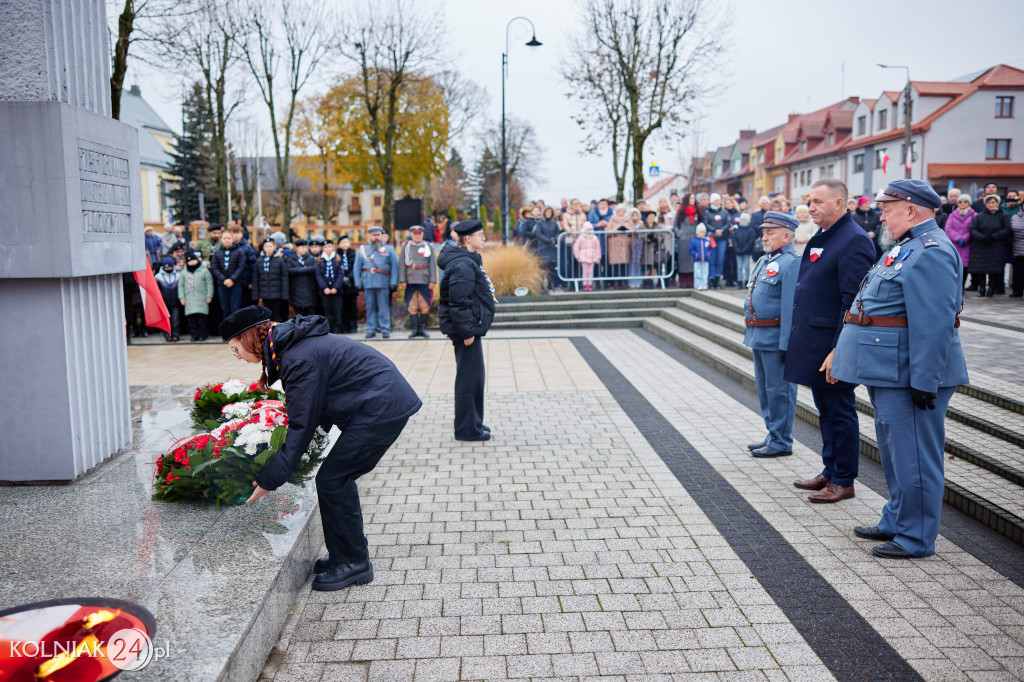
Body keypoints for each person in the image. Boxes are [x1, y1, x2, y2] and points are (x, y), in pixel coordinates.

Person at [222, 305, 421, 590]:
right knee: (334, 479)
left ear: (249, 337)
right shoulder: (291, 348)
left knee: (333, 479)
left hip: (381, 408)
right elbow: (315, 410)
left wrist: (269, 479)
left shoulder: (297, 356)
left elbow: (302, 425)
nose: (237, 356)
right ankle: (347, 555)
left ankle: (354, 563)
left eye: (234, 348)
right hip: (377, 403)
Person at [831, 179, 969, 559]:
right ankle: (896, 519)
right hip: (888, 369)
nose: (881, 214)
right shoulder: (906, 247)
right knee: (895, 454)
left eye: (887, 208)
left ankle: (916, 537)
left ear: (911, 210)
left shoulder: (931, 251)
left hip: (911, 373)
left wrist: (924, 379)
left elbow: (934, 323)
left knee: (915, 458)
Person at [785, 178, 875, 503]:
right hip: (814, 341)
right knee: (825, 409)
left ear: (839, 203)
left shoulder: (854, 240)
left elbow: (852, 302)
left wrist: (840, 348)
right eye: (809, 202)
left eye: (817, 202)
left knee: (839, 409)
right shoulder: (823, 236)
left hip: (832, 344)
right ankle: (830, 469)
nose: (811, 208)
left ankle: (844, 479)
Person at [743, 212, 801, 458]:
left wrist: (788, 344)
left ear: (786, 235)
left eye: (770, 232)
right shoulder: (766, 259)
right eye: (764, 231)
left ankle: (781, 440)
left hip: (776, 336)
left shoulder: (792, 261)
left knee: (780, 391)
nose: (764, 236)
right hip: (759, 334)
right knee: (766, 390)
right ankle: (772, 433)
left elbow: (791, 307)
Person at [437, 220, 496, 442]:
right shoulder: (462, 264)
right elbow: (458, 302)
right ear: (467, 238)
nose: (484, 237)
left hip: (469, 328)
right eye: (480, 234)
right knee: (469, 379)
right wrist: (468, 332)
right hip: (466, 331)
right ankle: (467, 429)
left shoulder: (468, 260)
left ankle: (473, 423)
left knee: (474, 378)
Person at [354, 226, 399, 338]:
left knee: (383, 307)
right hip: (368, 282)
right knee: (370, 307)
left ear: (381, 236)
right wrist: (358, 282)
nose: (376, 238)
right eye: (374, 235)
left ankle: (385, 329)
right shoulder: (363, 249)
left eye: (378, 235)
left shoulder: (389, 249)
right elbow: (357, 267)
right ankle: (371, 329)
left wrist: (394, 282)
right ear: (370, 236)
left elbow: (395, 267)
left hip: (383, 282)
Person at [969, 194, 1012, 297]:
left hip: (996, 246)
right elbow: (972, 229)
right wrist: (982, 237)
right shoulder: (979, 216)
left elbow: (1007, 229)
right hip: (980, 246)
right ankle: (982, 288)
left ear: (997, 203)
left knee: (994, 269)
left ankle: (991, 288)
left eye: (993, 202)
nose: (991, 205)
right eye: (988, 203)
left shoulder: (1003, 216)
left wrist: (994, 237)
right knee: (981, 269)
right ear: (985, 204)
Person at [398, 225, 436, 338]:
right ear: (412, 234)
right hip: (410, 279)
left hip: (424, 279)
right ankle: (415, 329)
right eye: (415, 234)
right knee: (412, 305)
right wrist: (402, 280)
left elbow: (432, 264)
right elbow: (401, 264)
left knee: (425, 305)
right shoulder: (406, 246)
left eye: (419, 233)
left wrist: (433, 280)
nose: (417, 235)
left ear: (423, 234)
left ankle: (423, 329)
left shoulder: (428, 246)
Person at [210, 227, 247, 323]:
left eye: (229, 238)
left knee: (235, 309)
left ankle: (235, 333)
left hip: (236, 285)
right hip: (222, 285)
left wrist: (232, 279)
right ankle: (227, 332)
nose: (227, 240)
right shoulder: (217, 253)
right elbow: (214, 267)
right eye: (225, 238)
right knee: (225, 309)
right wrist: (224, 280)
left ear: (232, 239)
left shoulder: (239, 252)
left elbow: (241, 266)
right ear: (221, 239)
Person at [178, 250, 214, 341]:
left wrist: (209, 296)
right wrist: (182, 298)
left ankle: (203, 334)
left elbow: (209, 284)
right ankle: (194, 335)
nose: (192, 262)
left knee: (202, 319)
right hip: (189, 299)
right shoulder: (184, 273)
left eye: (193, 260)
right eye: (189, 261)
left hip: (202, 299)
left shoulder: (204, 271)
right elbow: (181, 286)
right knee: (192, 320)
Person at [253, 239, 290, 323]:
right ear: (263, 247)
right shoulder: (259, 260)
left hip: (277, 294)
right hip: (264, 293)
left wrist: (284, 295)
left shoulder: (280, 260)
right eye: (266, 246)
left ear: (274, 247)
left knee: (277, 314)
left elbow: (284, 278)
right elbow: (256, 278)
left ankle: (276, 332)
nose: (268, 248)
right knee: (267, 315)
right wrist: (256, 295)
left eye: (270, 246)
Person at [526, 206, 561, 289]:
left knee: (551, 268)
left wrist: (554, 240)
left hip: (552, 248)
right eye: (547, 212)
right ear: (544, 213)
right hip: (543, 248)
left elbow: (557, 232)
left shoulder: (554, 223)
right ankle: (541, 285)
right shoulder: (540, 223)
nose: (549, 214)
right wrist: (548, 240)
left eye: (550, 212)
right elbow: (538, 234)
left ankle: (550, 284)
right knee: (543, 267)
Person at [944, 196, 974, 289]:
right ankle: (954, 288)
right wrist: (957, 238)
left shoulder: (974, 215)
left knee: (964, 268)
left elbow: (973, 228)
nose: (963, 204)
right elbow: (948, 229)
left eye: (965, 201)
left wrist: (965, 238)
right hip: (955, 244)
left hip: (967, 245)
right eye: (960, 202)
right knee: (954, 266)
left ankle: (962, 288)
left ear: (969, 203)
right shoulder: (952, 215)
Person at [315, 239, 344, 333]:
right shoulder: (320, 259)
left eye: (329, 246)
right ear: (323, 248)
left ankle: (337, 329)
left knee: (337, 310)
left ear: (333, 247)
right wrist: (324, 287)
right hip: (325, 291)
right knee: (327, 310)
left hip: (337, 290)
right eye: (326, 247)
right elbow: (318, 275)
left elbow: (340, 274)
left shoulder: (338, 258)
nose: (328, 249)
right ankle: (329, 329)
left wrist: (336, 287)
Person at [703, 194, 731, 289]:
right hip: (712, 238)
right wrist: (714, 231)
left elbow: (727, 223)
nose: (717, 202)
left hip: (722, 238)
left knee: (720, 259)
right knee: (712, 259)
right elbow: (706, 223)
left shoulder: (724, 212)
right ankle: (711, 279)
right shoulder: (707, 212)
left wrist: (721, 230)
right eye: (715, 200)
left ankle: (718, 278)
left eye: (719, 200)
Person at [673, 193, 701, 288]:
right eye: (691, 198)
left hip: (694, 238)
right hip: (683, 239)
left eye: (694, 198)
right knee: (683, 260)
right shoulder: (681, 211)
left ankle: (692, 280)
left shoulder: (697, 211)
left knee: (693, 259)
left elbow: (701, 223)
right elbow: (675, 225)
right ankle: (683, 281)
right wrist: (679, 233)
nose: (693, 199)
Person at [286, 239, 319, 317]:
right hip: (296, 290)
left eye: (305, 247)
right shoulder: (291, 258)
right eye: (302, 247)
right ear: (296, 248)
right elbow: (289, 270)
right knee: (299, 315)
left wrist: (298, 271)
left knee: (310, 315)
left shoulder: (311, 258)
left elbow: (314, 268)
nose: (304, 249)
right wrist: (306, 269)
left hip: (309, 291)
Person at [155, 257, 182, 342]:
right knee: (166, 319)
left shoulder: (178, 276)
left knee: (175, 319)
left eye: (170, 267)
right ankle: (167, 335)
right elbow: (156, 290)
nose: (169, 269)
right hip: (164, 302)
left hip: (175, 301)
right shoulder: (158, 277)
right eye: (166, 267)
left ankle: (176, 335)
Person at [336, 234, 359, 332]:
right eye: (342, 242)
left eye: (346, 242)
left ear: (349, 243)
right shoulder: (336, 255)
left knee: (352, 306)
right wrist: (342, 278)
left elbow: (356, 267)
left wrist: (349, 277)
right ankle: (344, 326)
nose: (344, 244)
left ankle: (353, 325)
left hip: (352, 284)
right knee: (342, 307)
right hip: (340, 284)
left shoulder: (354, 253)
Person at [572, 221, 602, 291]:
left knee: (591, 272)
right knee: (585, 272)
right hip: (583, 256)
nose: (589, 231)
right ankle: (585, 284)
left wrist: (598, 257)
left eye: (590, 229)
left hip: (592, 256)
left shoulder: (594, 238)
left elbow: (598, 248)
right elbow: (576, 247)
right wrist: (577, 256)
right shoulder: (581, 237)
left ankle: (590, 284)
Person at [732, 212, 757, 286]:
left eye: (745, 220)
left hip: (747, 251)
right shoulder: (737, 229)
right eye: (742, 219)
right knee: (739, 267)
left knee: (746, 266)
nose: (743, 221)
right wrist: (737, 249)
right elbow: (734, 240)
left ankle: (746, 280)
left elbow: (751, 241)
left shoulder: (750, 230)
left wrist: (744, 249)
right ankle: (739, 281)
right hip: (738, 251)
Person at [689, 224, 712, 290]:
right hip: (697, 260)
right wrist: (695, 254)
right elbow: (691, 249)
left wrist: (708, 254)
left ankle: (704, 284)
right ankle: (698, 285)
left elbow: (710, 249)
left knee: (705, 272)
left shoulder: (707, 241)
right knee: (698, 273)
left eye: (703, 232)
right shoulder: (694, 241)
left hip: (705, 260)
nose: (702, 234)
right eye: (700, 232)